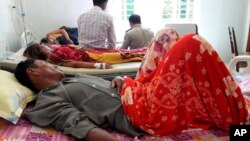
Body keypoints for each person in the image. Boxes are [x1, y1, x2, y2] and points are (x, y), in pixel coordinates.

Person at [14, 27, 249, 140]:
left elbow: (99, 87)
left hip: (136, 89)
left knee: (166, 35)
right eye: (45, 64)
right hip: (140, 111)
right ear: (34, 70)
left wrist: (117, 79)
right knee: (190, 43)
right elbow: (77, 125)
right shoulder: (50, 99)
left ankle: (225, 101)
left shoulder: (68, 79)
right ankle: (240, 120)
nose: (52, 65)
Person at [23, 43, 146, 68]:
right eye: (41, 46)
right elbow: (74, 64)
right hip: (95, 58)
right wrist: (100, 66)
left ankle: (150, 51)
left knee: (122, 51)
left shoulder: (54, 52)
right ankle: (153, 55)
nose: (44, 45)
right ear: (39, 51)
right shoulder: (55, 58)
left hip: (92, 53)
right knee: (130, 55)